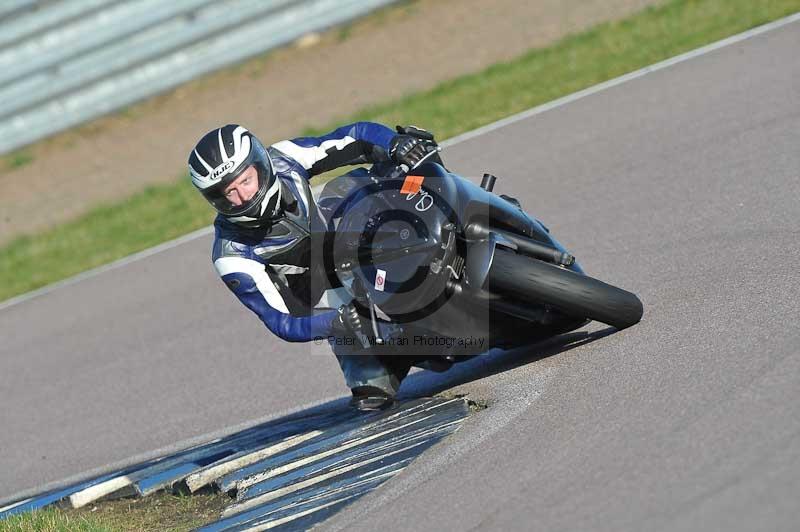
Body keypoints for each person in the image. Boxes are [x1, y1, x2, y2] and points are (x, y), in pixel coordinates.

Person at [188, 122, 440, 410]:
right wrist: (336, 323)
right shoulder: (232, 255)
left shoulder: (284, 158)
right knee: (373, 396)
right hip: (336, 308)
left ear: (261, 164)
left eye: (246, 181)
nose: (244, 197)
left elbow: (353, 137)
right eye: (229, 192)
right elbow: (281, 322)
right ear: (215, 200)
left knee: (402, 157)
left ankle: (461, 216)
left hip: (353, 239)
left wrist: (395, 143)